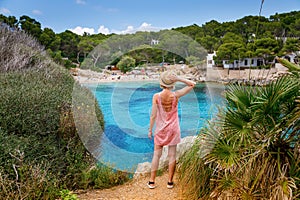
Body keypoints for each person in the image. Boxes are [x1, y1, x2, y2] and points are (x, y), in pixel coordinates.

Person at [147, 70, 195, 189]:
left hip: (160, 129)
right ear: (171, 83)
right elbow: (192, 84)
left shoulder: (156, 96)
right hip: (173, 129)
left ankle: (152, 182)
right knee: (172, 155)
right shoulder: (176, 95)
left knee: (156, 155)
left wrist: (150, 130)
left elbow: (153, 115)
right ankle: (169, 182)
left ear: (161, 83)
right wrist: (178, 78)